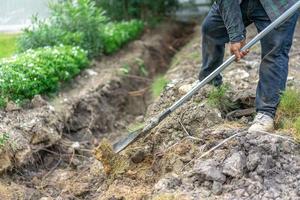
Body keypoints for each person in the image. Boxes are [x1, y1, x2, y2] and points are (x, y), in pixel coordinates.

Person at [199, 0, 299, 133]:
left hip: (278, 4)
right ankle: (209, 84)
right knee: (211, 28)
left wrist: (236, 36)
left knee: (274, 51)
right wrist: (236, 35)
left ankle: (266, 112)